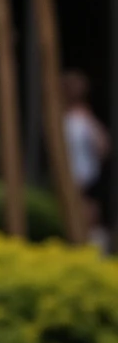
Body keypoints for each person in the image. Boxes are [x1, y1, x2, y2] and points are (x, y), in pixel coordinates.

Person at [63, 72, 109, 241]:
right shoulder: (62, 117)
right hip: (73, 174)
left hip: (85, 175)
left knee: (88, 213)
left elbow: (103, 146)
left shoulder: (85, 118)